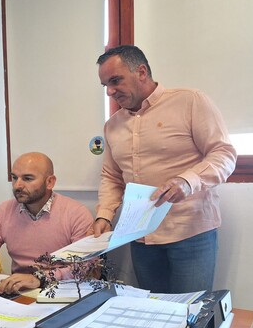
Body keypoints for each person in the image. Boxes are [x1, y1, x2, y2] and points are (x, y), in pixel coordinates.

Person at [92, 45, 237, 294]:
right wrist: (104, 215)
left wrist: (187, 181)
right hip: (141, 237)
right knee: (153, 311)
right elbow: (112, 177)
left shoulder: (190, 101)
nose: (110, 91)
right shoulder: (112, 125)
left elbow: (224, 154)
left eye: (115, 81)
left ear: (141, 72)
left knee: (190, 311)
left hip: (190, 233)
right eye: (105, 85)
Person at [0, 152, 94, 295]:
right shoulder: (4, 211)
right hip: (18, 292)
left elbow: (87, 266)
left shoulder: (76, 213)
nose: (17, 185)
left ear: (50, 182)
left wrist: (40, 278)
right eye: (14, 178)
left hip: (61, 292)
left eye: (27, 178)